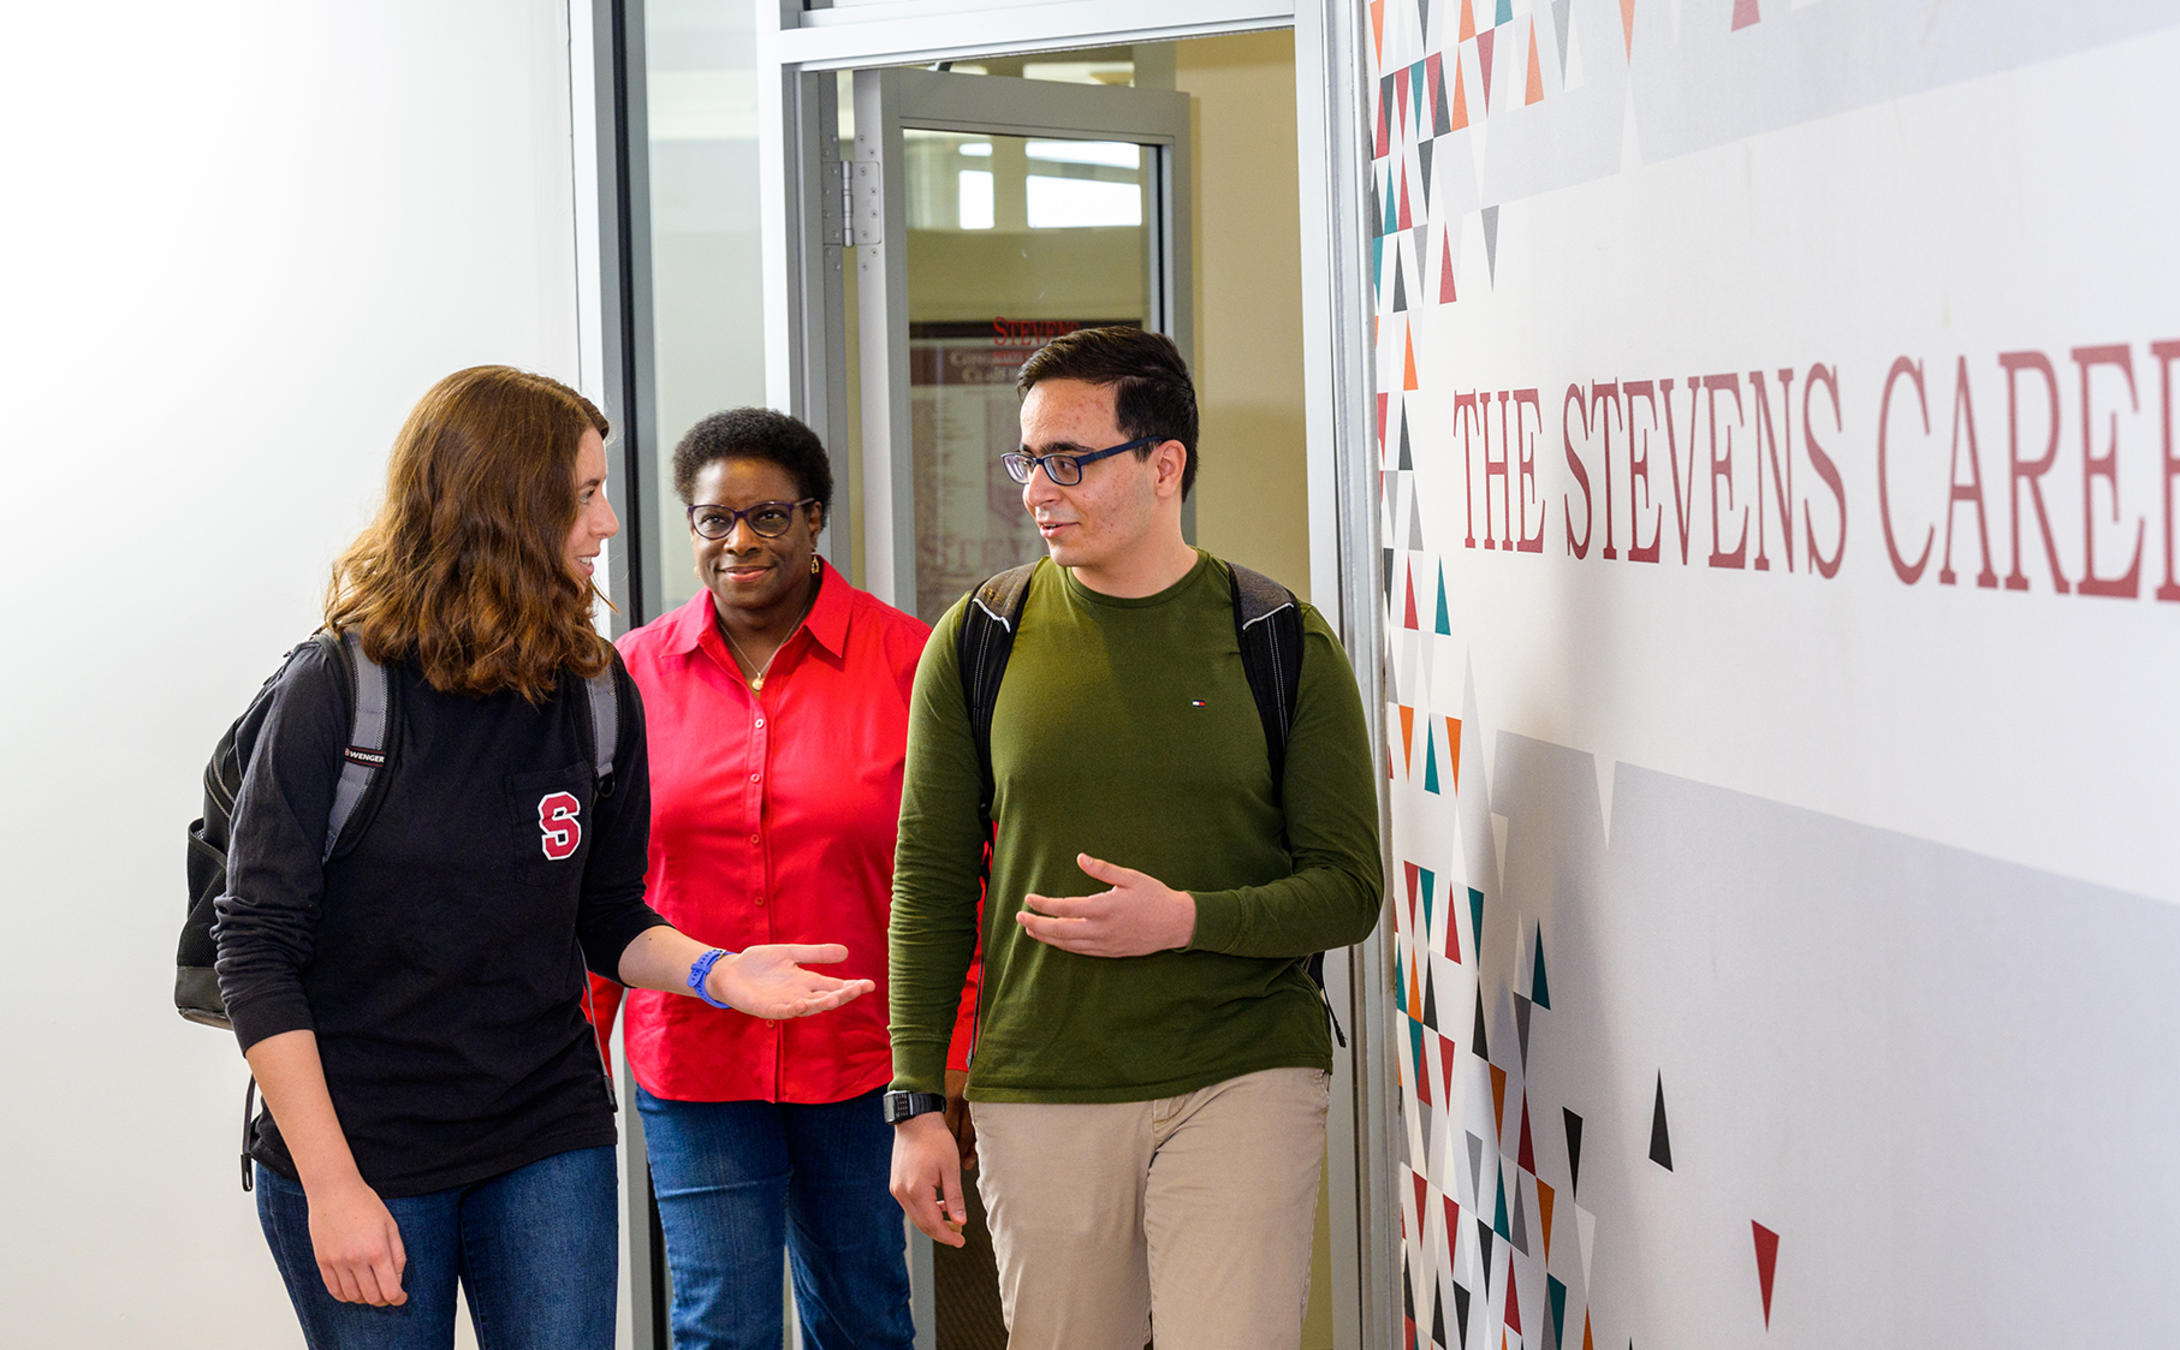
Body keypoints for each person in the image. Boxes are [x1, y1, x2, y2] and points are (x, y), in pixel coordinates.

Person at [214, 366, 874, 1350]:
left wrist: (719, 973)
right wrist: (331, 1185)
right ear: (504, 505)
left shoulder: (595, 687)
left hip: (545, 1135)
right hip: (364, 1146)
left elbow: (607, 916)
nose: (607, 523)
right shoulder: (339, 687)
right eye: (585, 495)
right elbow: (254, 951)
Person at [883, 327, 1383, 1350]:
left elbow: (1348, 889)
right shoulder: (978, 638)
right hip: (1043, 1079)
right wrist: (917, 1101)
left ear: (1165, 466)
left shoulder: (1279, 638)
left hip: (1245, 1066)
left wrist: (1184, 919)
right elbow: (930, 882)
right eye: (1028, 460)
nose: (1037, 491)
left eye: (1069, 461)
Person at [592, 408, 972, 1350]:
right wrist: (577, 1054)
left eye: (768, 516)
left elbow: (970, 875)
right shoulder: (627, 676)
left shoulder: (911, 662)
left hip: (865, 1062)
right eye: (714, 519)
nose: (740, 541)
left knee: (864, 1317)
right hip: (696, 1061)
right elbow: (600, 886)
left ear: (814, 519)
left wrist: (949, 1062)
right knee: (721, 1322)